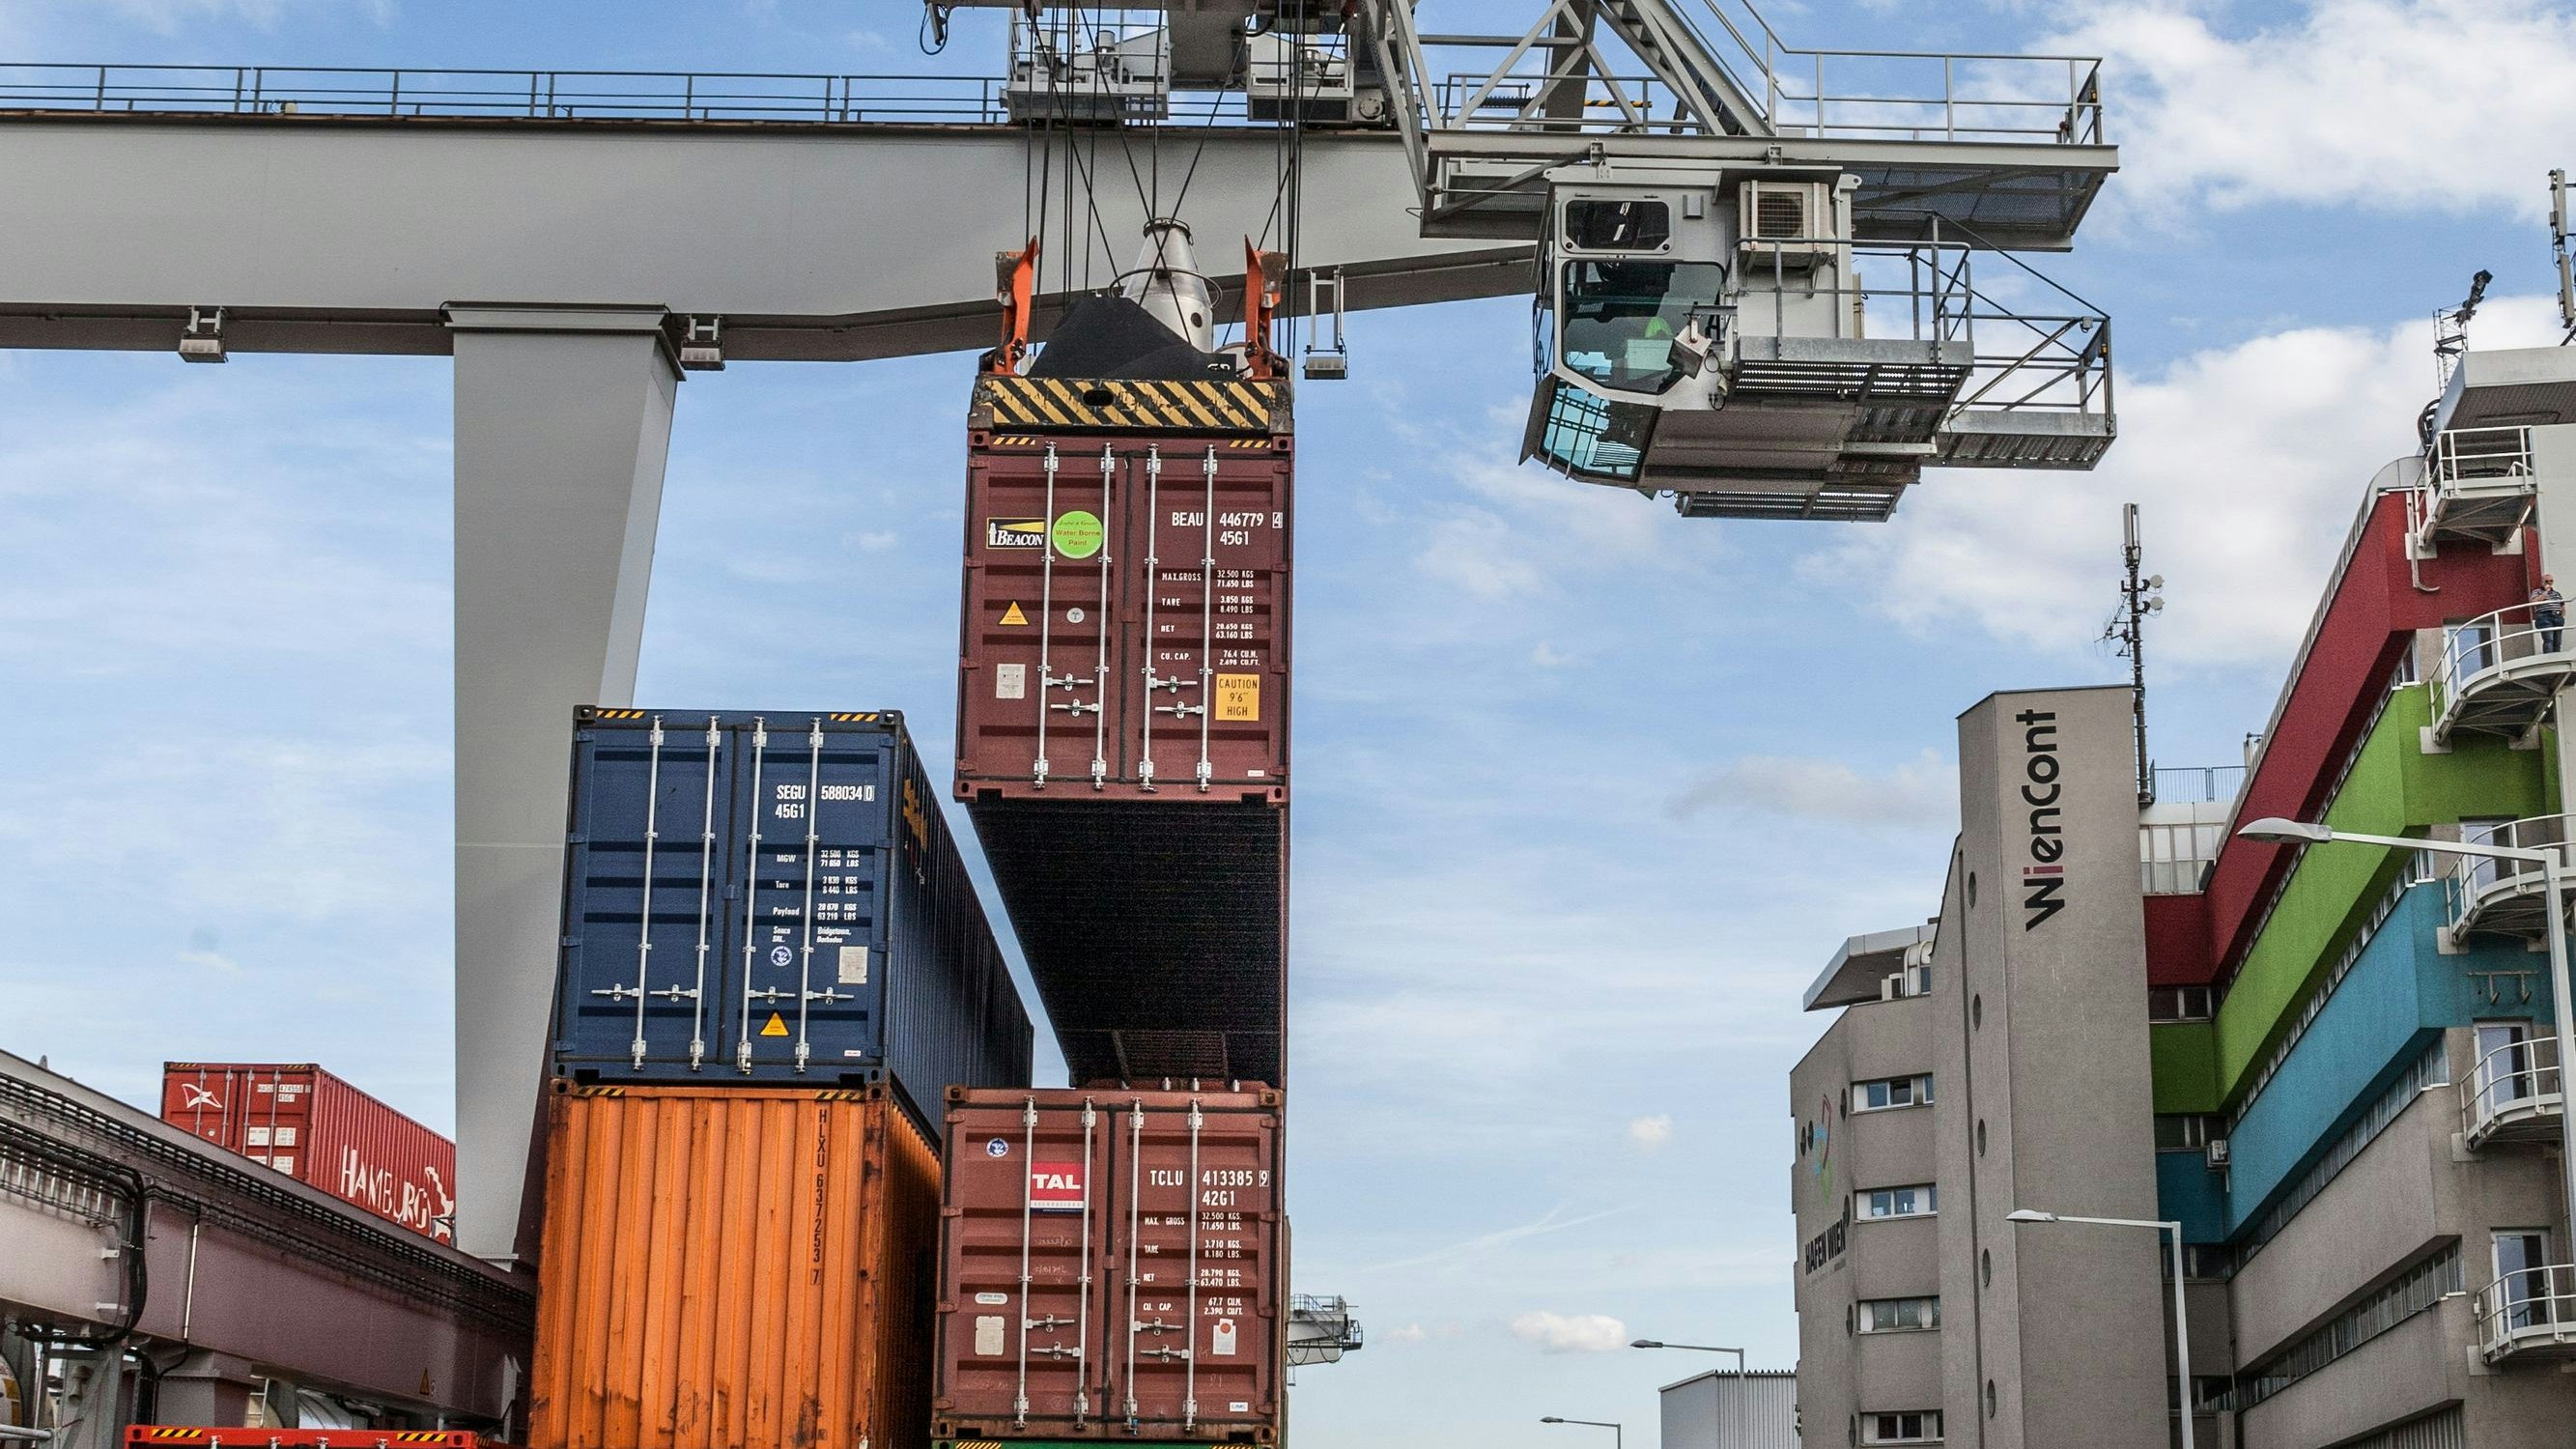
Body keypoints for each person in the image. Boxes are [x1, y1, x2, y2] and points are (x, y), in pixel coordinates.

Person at [2534, 576, 2565, 654]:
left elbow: (2562, 605)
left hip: (2557, 616)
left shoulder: (2557, 593)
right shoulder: (2537, 592)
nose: (2549, 583)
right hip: (2545, 617)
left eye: (2551, 581)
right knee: (2549, 639)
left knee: (2557, 641)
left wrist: (2562, 615)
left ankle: (2557, 658)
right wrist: (2545, 592)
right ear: (2542, 582)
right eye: (2546, 581)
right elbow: (2534, 601)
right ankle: (2548, 659)